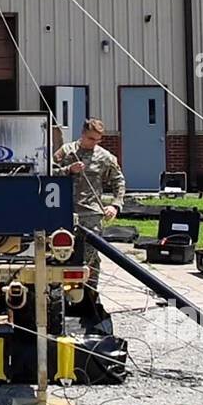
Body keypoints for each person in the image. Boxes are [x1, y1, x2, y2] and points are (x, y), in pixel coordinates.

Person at [53, 118, 125, 291]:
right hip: (64, 211)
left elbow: (119, 181)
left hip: (91, 214)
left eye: (98, 139)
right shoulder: (67, 151)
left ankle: (89, 294)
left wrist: (115, 205)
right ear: (83, 135)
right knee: (59, 255)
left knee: (90, 257)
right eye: (91, 139)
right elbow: (48, 172)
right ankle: (57, 292)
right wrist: (68, 170)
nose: (94, 143)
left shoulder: (105, 157)